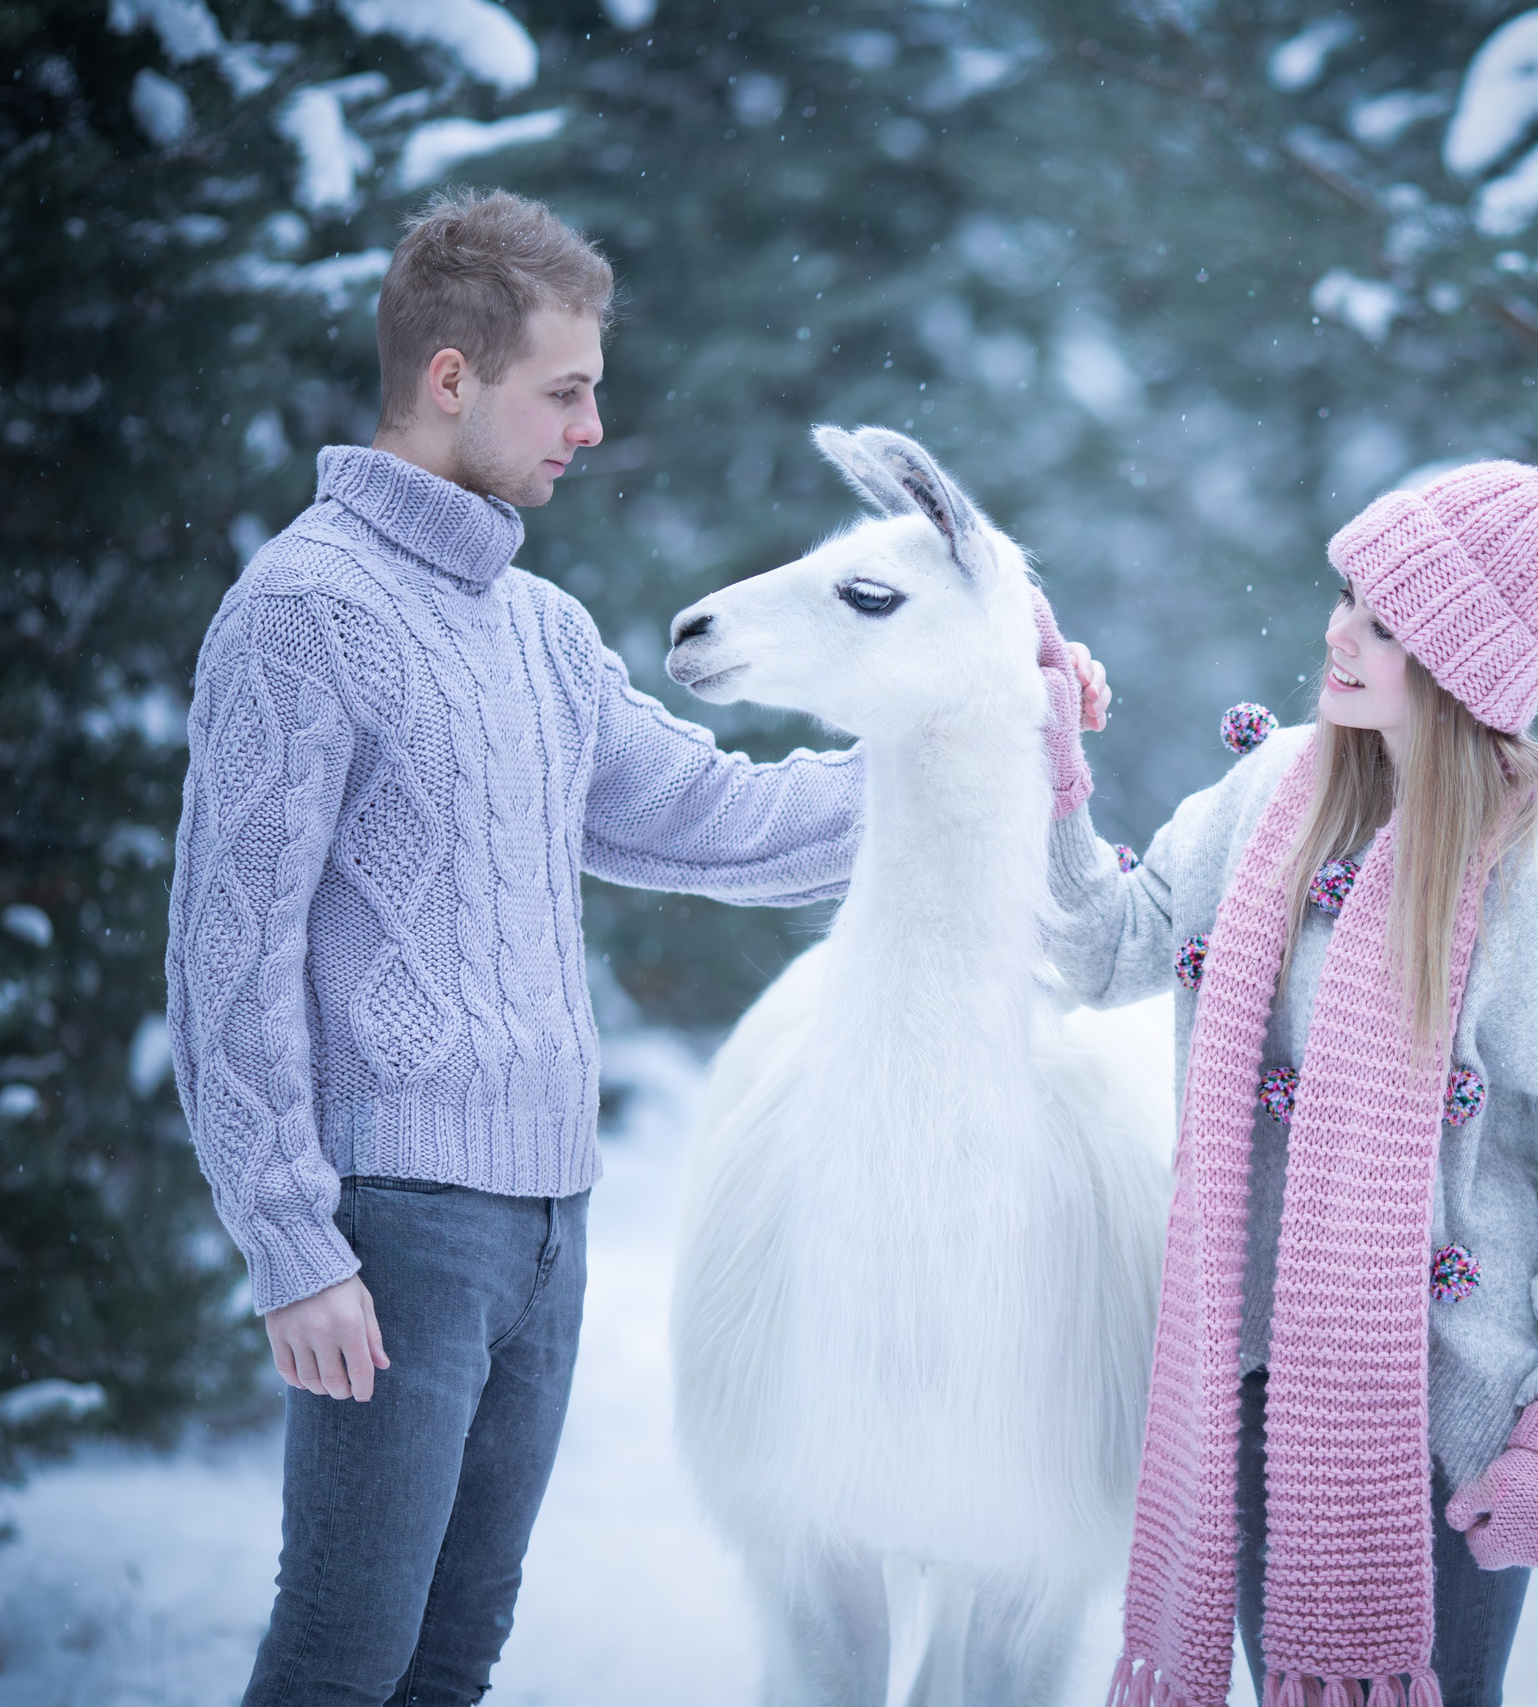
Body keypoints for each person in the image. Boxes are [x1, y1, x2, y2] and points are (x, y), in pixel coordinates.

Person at [164, 187, 1101, 1705]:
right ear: (452, 378)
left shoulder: (536, 630)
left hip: (546, 1225)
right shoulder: (303, 611)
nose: (592, 428)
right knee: (344, 1657)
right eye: (566, 391)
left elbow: (712, 819)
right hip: (394, 1228)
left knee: (451, 1660)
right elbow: (229, 950)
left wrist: (984, 725)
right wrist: (291, 1244)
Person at [1045, 462, 1538, 1707]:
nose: (1338, 632)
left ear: (1459, 665)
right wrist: (1046, 760)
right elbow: (1106, 949)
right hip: (1251, 1375)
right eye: (1347, 598)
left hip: (1450, 1413)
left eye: (1385, 624)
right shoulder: (1265, 792)